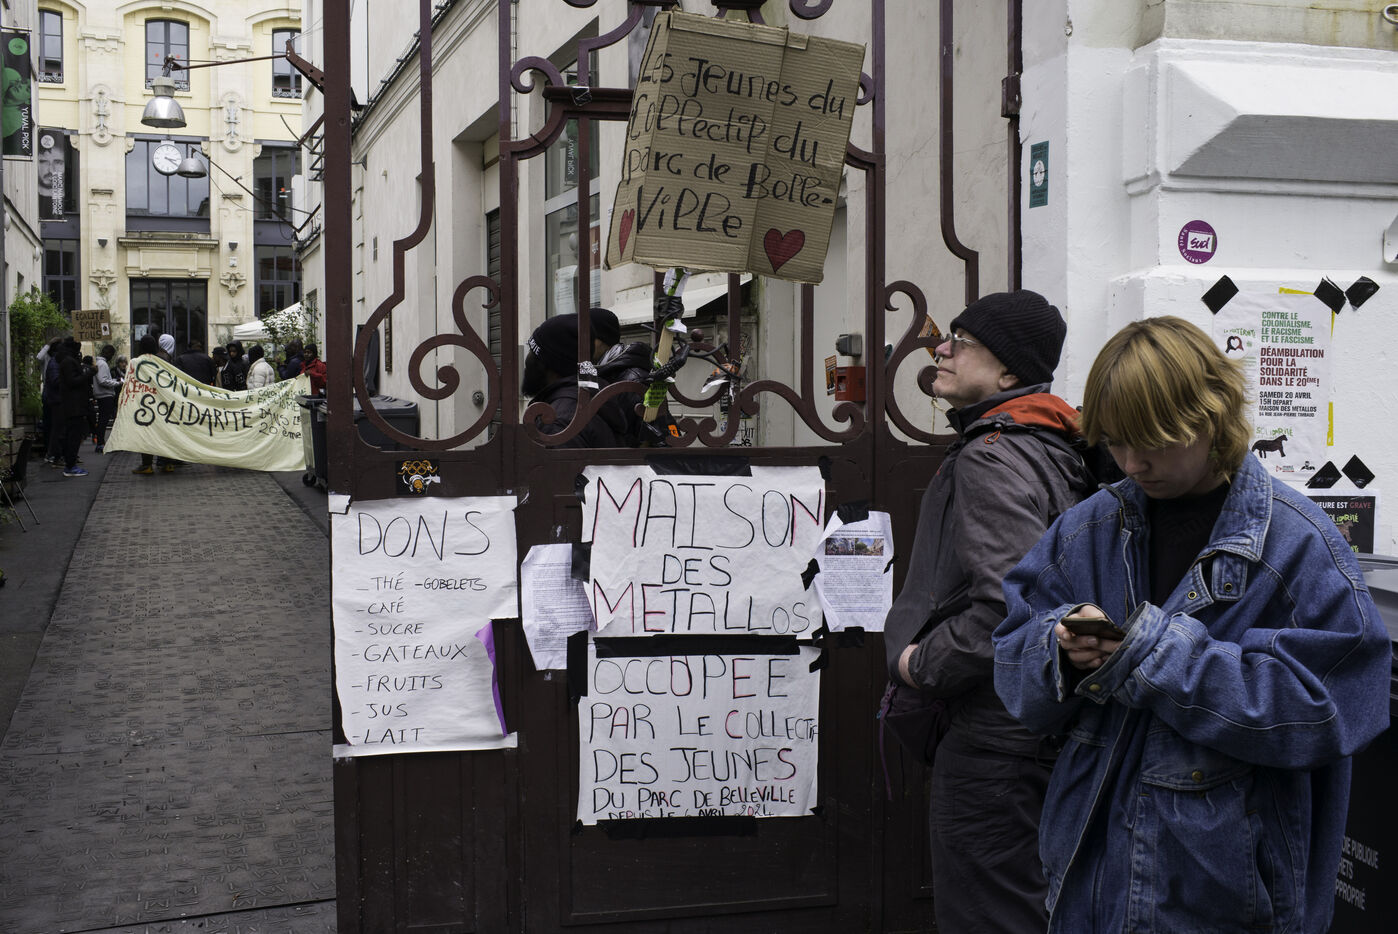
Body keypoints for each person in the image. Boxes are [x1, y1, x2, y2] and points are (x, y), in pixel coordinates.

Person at [992, 316, 1391, 934]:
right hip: (1088, 890)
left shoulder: (1299, 546)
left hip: (1226, 903)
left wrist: (1157, 657)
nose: (1131, 463)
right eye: (1115, 443)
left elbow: (1337, 714)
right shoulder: (1087, 530)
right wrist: (1059, 649)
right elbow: (1010, 662)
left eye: (1151, 442)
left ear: (1211, 416)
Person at [883, 290, 1092, 934]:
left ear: (1008, 373)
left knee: (989, 914)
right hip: (1043, 724)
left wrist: (922, 664)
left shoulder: (993, 454)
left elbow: (1010, 604)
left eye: (963, 342)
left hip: (994, 734)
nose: (941, 349)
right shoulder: (1054, 441)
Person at [522, 314, 627, 448]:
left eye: (533, 353)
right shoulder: (590, 396)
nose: (527, 360)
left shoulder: (558, 422)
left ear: (550, 363)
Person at [55, 338, 94, 477]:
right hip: (74, 406)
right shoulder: (68, 362)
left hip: (74, 405)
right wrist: (89, 373)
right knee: (73, 436)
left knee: (73, 435)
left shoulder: (67, 360)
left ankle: (70, 464)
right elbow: (73, 381)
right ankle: (70, 466)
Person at [92, 344, 121, 453]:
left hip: (102, 394)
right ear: (108, 353)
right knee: (103, 420)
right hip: (105, 395)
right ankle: (100, 443)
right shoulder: (103, 364)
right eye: (111, 355)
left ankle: (101, 442)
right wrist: (117, 383)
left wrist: (114, 380)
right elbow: (103, 380)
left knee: (102, 420)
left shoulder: (99, 363)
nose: (111, 358)